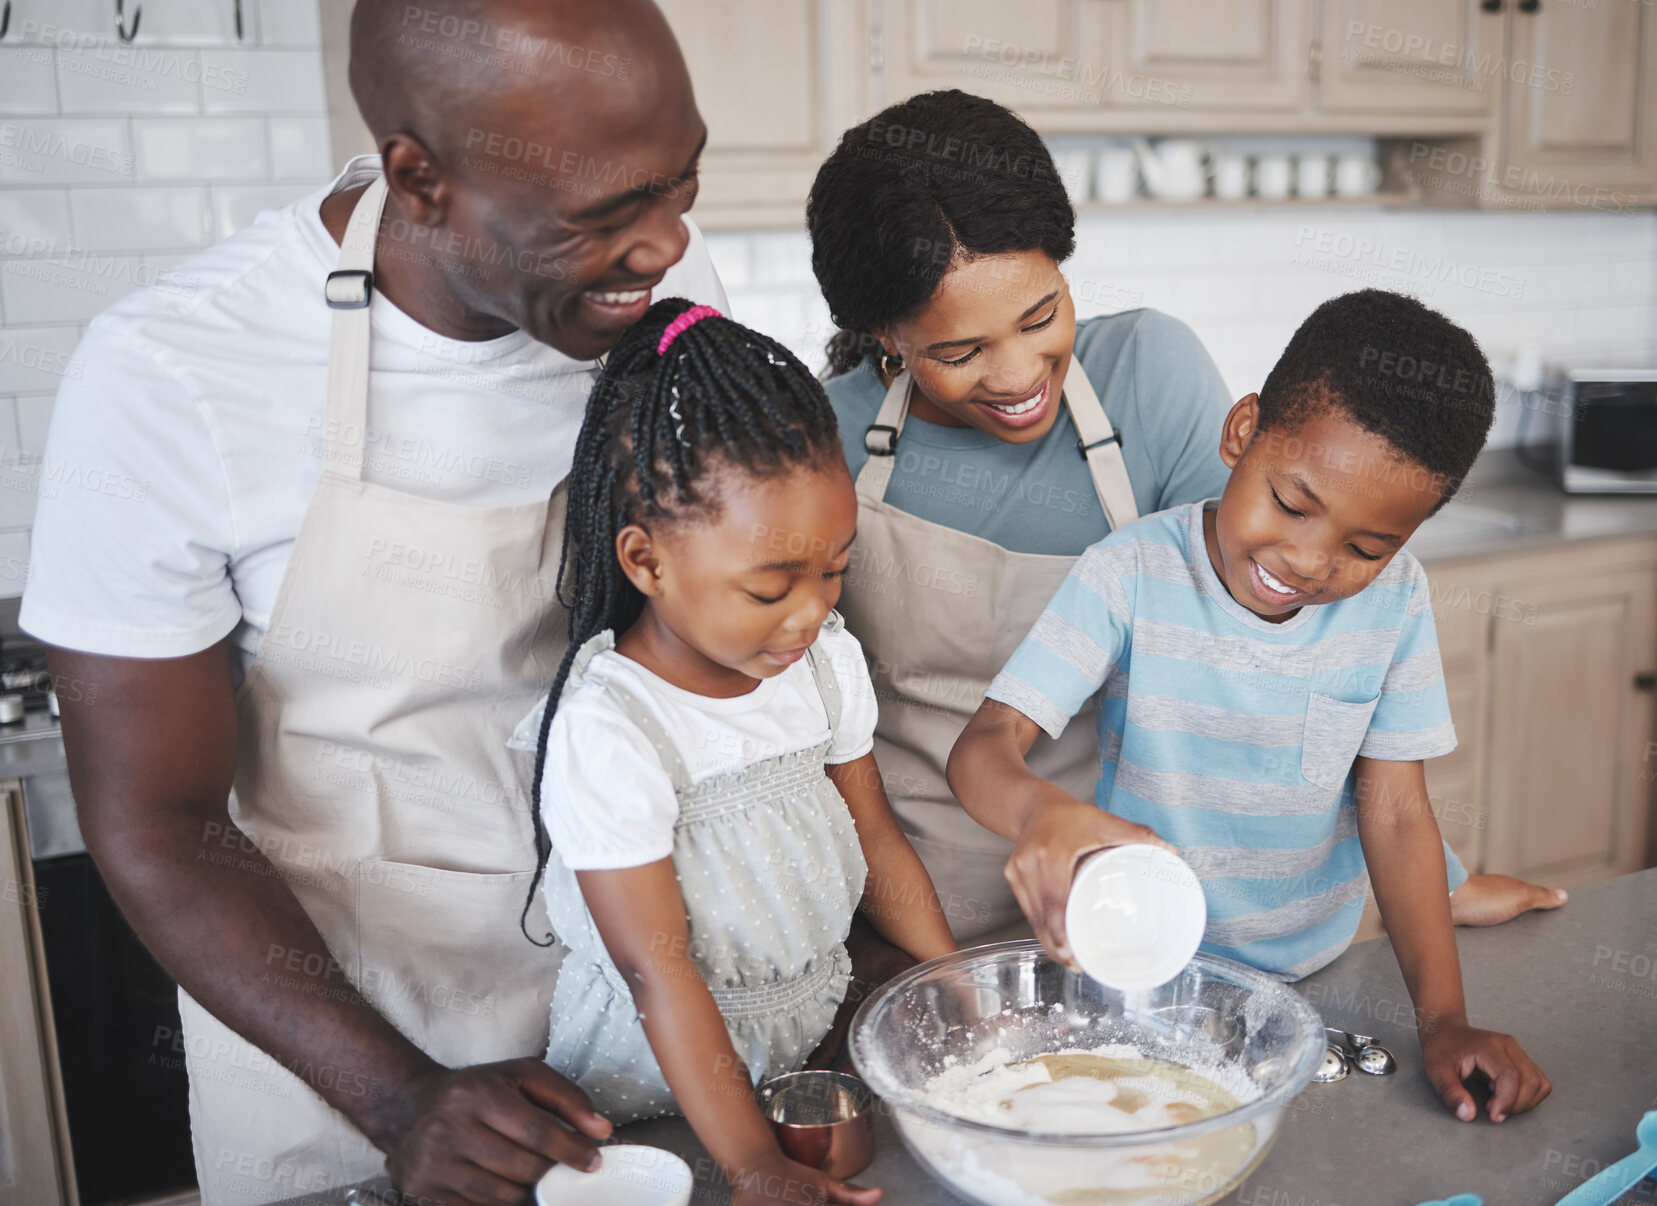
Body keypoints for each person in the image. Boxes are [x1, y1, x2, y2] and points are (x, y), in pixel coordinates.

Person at [22, 1, 728, 1202]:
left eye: (679, 187)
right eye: (607, 214)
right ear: (419, 179)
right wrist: (403, 1100)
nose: (665, 244)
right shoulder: (174, 375)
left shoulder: (650, 281)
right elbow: (155, 822)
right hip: (352, 1052)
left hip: (639, 1001)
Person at [806, 89, 1559, 951]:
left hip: (1134, 907)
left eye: (1041, 315)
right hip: (907, 904)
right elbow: (815, 725)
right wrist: (928, 952)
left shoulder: (1147, 374)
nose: (1019, 376)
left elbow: (1275, 664)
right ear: (884, 335)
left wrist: (1432, 883)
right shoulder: (821, 440)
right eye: (960, 351)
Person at [949, 290, 1553, 1123]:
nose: (1307, 561)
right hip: (1145, 964)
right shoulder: (1128, 573)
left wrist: (1443, 1021)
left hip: (1318, 966)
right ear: (1240, 434)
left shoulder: (1397, 602)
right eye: (1291, 504)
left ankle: (1457, 888)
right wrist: (1037, 813)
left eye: (1364, 548)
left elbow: (1395, 812)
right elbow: (983, 747)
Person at [511, 299, 954, 1204]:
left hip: (807, 1050)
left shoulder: (823, 664)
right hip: (657, 1091)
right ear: (646, 561)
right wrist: (751, 1164)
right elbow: (656, 967)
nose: (808, 612)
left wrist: (956, 990)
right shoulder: (614, 728)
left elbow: (875, 841)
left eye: (833, 568)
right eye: (768, 588)